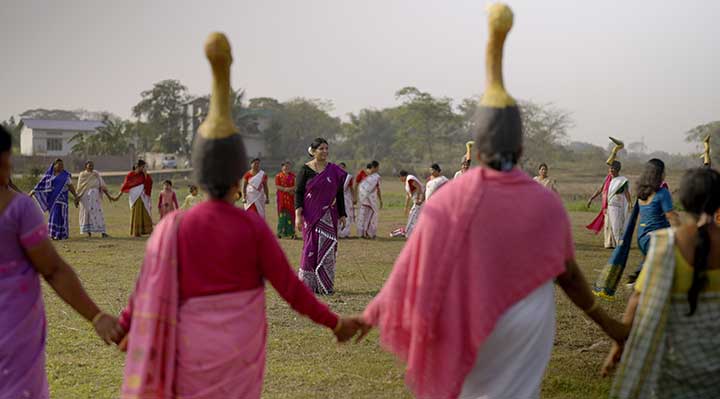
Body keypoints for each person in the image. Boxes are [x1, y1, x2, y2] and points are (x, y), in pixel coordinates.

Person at [356, 6, 628, 398]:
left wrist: (372, 313)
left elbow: (411, 269)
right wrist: (612, 326)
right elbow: (568, 275)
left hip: (464, 323)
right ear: (520, 146)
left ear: (477, 147)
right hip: (524, 330)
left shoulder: (449, 199)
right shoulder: (544, 201)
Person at [117, 33, 365, 399]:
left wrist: (122, 326)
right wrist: (334, 323)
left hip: (185, 358)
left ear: (198, 176)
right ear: (239, 176)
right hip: (238, 362)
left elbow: (143, 290)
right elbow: (291, 290)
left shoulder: (173, 227)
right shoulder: (251, 227)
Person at [0, 125, 123, 398]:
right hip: (14, 334)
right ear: (6, 160)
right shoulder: (18, 208)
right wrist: (96, 315)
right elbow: (54, 270)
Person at [602, 168, 720, 398]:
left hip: (673, 371)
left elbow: (636, 301)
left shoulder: (665, 246)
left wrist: (619, 346)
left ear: (684, 200)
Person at [594, 159, 681, 296]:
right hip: (657, 239)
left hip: (642, 238)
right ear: (659, 174)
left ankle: (636, 279)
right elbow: (671, 216)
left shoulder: (642, 193)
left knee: (651, 262)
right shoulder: (662, 193)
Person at [295, 137, 348, 295]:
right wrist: (298, 215)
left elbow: (339, 194)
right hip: (310, 217)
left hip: (329, 215)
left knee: (328, 249)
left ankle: (325, 284)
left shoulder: (334, 170)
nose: (325, 151)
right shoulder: (305, 170)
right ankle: (307, 286)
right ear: (314, 151)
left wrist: (342, 214)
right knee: (310, 247)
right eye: (321, 149)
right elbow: (298, 193)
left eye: (326, 148)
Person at [586, 160, 632, 248]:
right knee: (608, 225)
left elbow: (626, 192)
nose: (610, 170)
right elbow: (600, 189)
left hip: (618, 206)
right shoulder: (608, 179)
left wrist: (630, 202)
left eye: (612, 168)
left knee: (617, 226)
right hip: (608, 206)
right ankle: (610, 244)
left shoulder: (622, 180)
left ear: (617, 170)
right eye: (610, 168)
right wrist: (591, 198)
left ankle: (619, 244)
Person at [29, 158, 78, 240]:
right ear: (54, 166)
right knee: (54, 216)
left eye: (62, 165)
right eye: (59, 165)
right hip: (52, 200)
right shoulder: (48, 176)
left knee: (62, 216)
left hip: (62, 200)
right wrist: (31, 193)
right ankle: (53, 234)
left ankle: (62, 234)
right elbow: (40, 186)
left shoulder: (65, 176)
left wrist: (75, 196)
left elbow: (70, 187)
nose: (61, 166)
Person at [114, 160, 153, 237]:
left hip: (142, 196)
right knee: (136, 214)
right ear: (138, 166)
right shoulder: (130, 175)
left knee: (145, 212)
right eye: (143, 167)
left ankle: (147, 230)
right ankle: (136, 232)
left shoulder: (143, 175)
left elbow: (149, 183)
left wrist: (145, 175)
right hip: (134, 196)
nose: (144, 168)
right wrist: (118, 195)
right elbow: (125, 185)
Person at [76, 160, 113, 237]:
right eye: (89, 165)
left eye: (92, 165)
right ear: (86, 166)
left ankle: (103, 232)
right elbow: (79, 187)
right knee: (87, 213)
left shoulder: (96, 174)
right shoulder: (82, 175)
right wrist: (77, 198)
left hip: (95, 197)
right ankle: (88, 232)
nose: (91, 167)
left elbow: (102, 185)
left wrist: (109, 196)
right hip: (85, 197)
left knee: (99, 213)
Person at [357, 161, 383, 239]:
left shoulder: (376, 177)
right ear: (374, 167)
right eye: (378, 167)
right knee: (363, 215)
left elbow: (378, 189)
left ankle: (369, 233)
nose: (378, 169)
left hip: (372, 199)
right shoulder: (362, 173)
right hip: (364, 198)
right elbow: (357, 184)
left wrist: (380, 200)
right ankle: (362, 233)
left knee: (372, 216)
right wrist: (355, 196)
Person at [275, 161, 296, 239]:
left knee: (291, 214)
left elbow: (296, 185)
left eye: (288, 166)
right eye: (285, 166)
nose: (286, 168)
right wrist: (285, 189)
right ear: (282, 167)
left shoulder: (293, 176)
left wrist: (290, 189)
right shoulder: (278, 176)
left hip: (290, 197)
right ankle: (280, 232)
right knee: (282, 215)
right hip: (281, 198)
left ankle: (291, 233)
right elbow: (277, 186)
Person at [400, 170, 424, 238]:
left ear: (402, 176)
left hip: (419, 201)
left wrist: (418, 199)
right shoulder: (407, 183)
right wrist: (406, 207)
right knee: (417, 217)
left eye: (400, 177)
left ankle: (408, 234)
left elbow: (419, 187)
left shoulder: (410, 179)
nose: (400, 179)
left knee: (412, 215)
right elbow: (408, 196)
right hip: (417, 201)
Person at [338, 162, 356, 238]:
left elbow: (351, 188)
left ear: (345, 168)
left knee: (347, 215)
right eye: (340, 167)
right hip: (338, 198)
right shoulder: (335, 176)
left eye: (343, 167)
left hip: (346, 199)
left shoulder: (348, 177)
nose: (341, 169)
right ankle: (339, 232)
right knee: (338, 215)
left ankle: (346, 233)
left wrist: (354, 197)